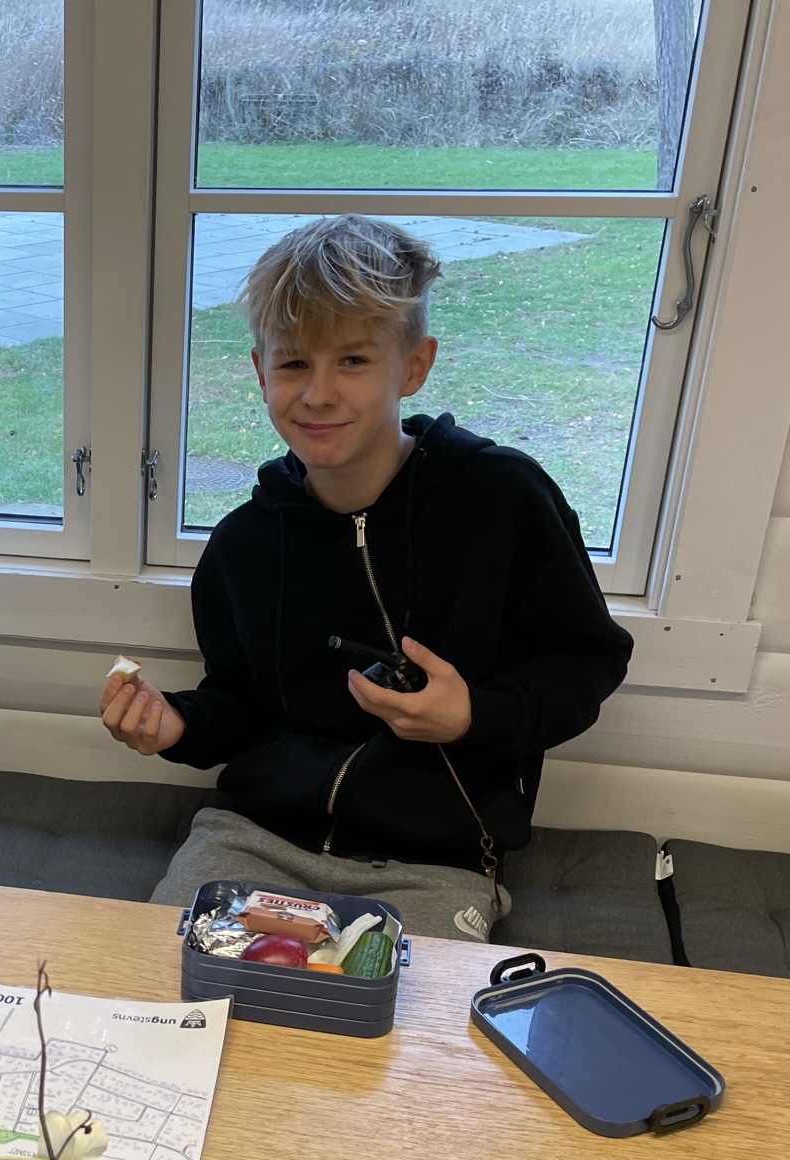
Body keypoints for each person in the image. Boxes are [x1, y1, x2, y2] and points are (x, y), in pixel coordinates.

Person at [101, 216, 631, 941]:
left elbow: (589, 659)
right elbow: (242, 704)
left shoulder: (503, 499)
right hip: (251, 841)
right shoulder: (244, 543)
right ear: (260, 371)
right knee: (159, 987)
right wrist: (179, 725)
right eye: (293, 364)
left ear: (413, 366)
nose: (317, 394)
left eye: (352, 360)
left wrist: (474, 715)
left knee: (398, 1015)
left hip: (431, 863)